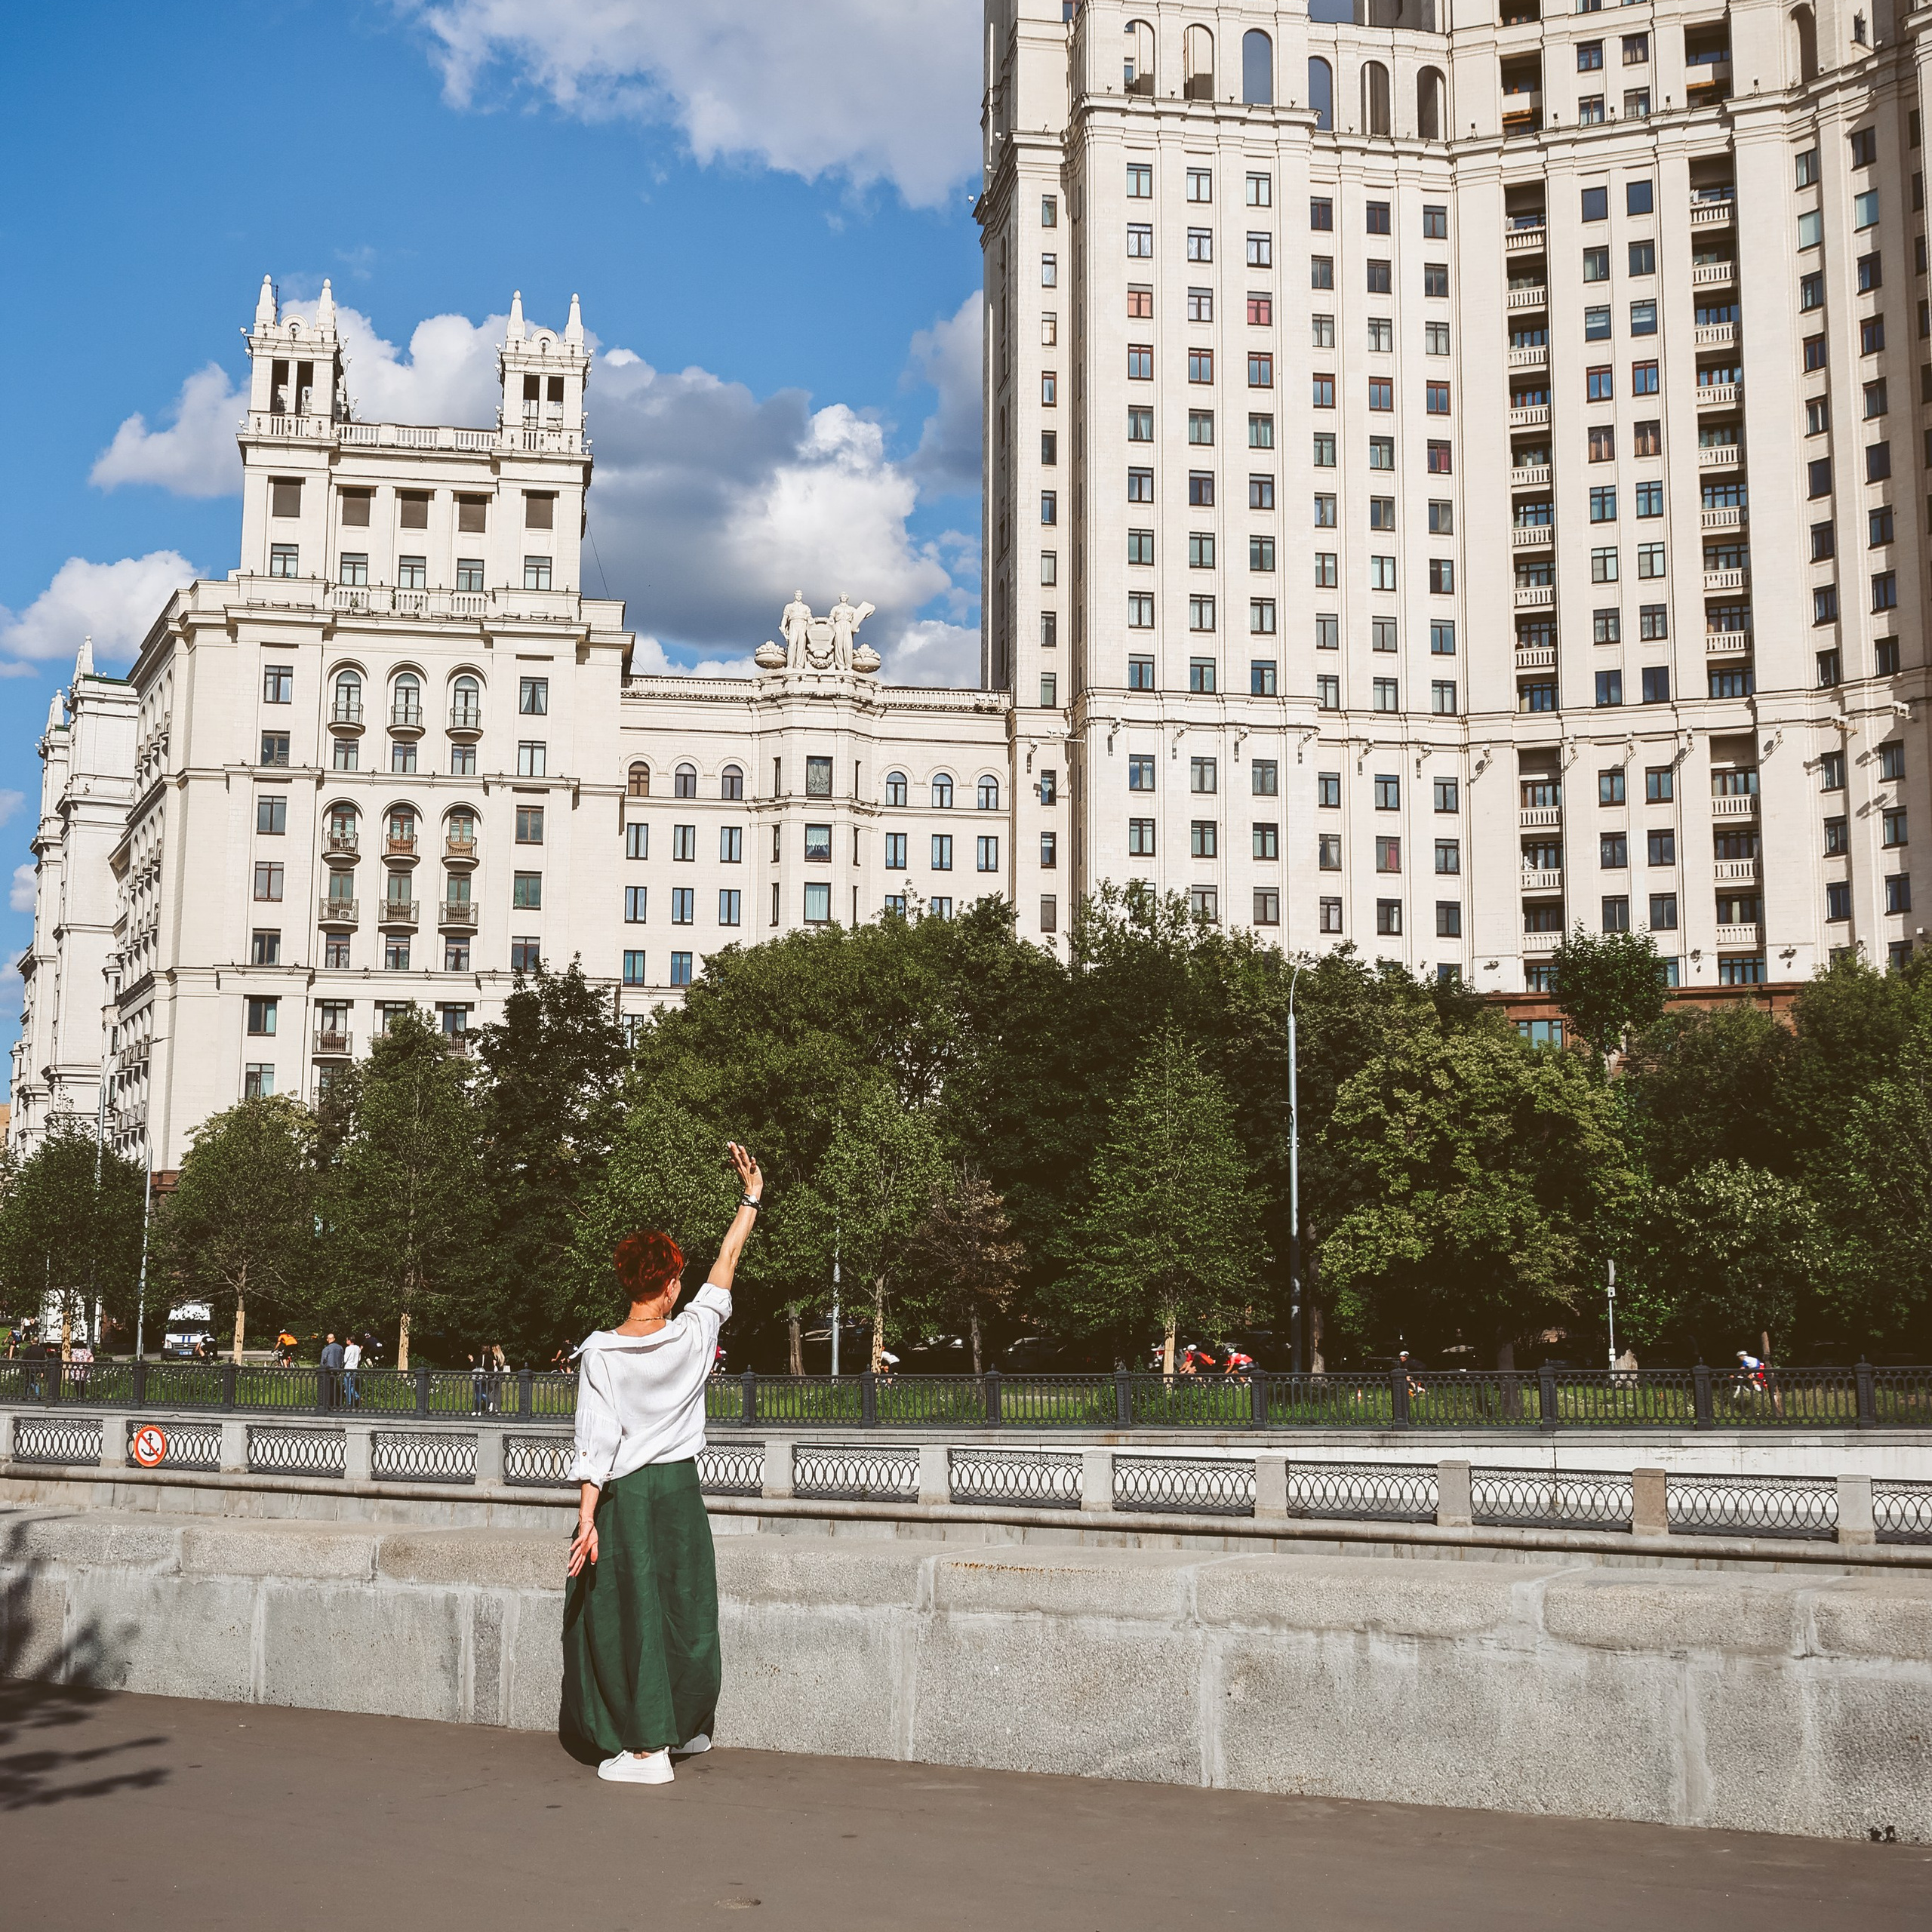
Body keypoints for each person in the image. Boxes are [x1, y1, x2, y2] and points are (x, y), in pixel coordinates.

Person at [562, 1141, 763, 1786]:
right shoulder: (696, 1334)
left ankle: (647, 1751)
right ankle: (686, 1726)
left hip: (625, 1497)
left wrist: (586, 1520)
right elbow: (727, 1260)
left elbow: (596, 1442)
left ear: (628, 1283)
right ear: (672, 1282)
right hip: (681, 1492)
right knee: (684, 1608)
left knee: (629, 1618)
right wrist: (750, 1199)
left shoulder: (599, 1355)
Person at [318, 1332, 345, 1410]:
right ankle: (337, 1404)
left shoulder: (326, 1349)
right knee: (336, 1387)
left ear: (328, 1339)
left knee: (329, 1388)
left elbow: (323, 1360)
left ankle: (330, 1404)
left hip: (328, 1371)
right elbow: (342, 1360)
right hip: (337, 1370)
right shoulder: (340, 1348)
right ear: (334, 1339)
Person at [341, 1334, 361, 1407]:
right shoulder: (358, 1348)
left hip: (348, 1368)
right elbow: (359, 1359)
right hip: (355, 1368)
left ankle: (348, 1403)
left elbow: (345, 1359)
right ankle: (357, 1397)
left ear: (349, 1341)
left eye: (347, 1340)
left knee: (347, 1386)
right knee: (352, 1386)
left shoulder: (348, 1348)